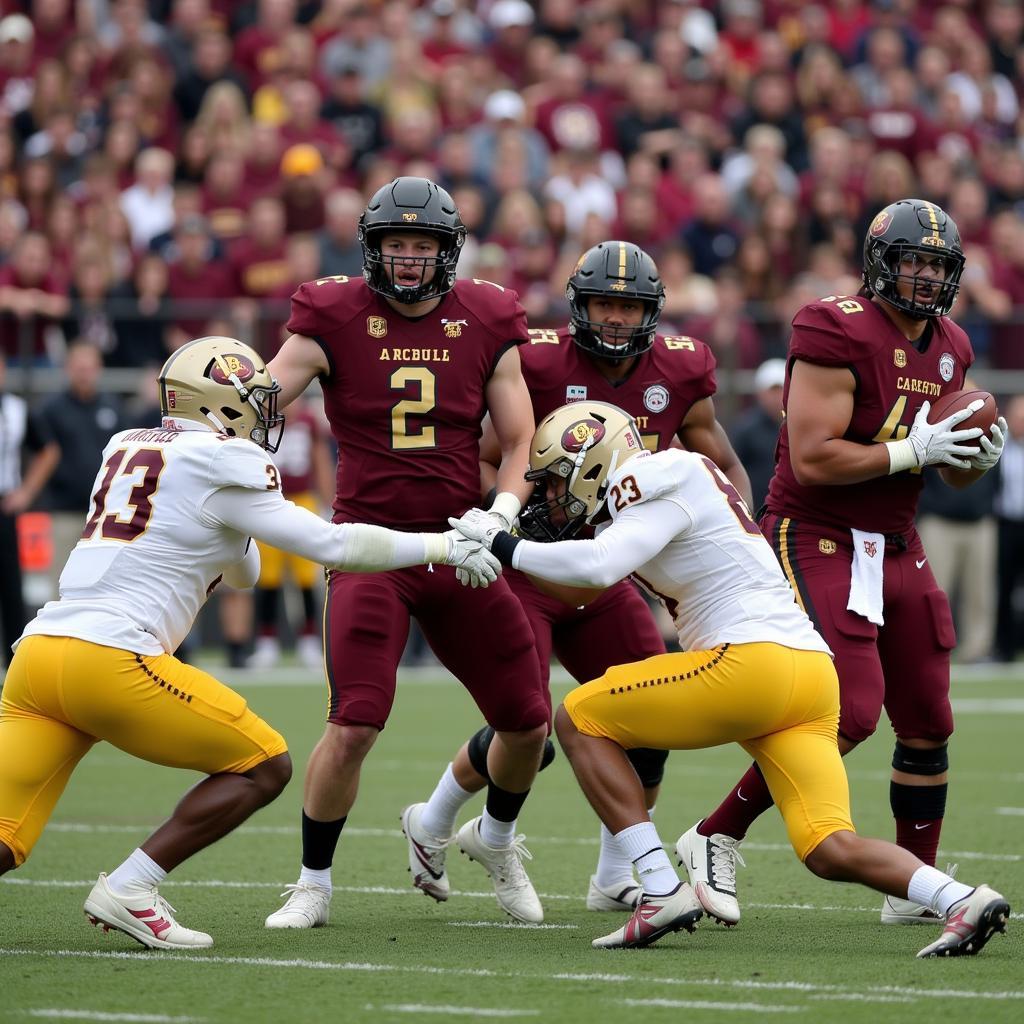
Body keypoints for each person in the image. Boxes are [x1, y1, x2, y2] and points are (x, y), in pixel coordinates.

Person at [452, 401, 1010, 959]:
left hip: (750, 662)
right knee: (828, 845)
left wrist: (505, 543)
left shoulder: (646, 475)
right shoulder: (668, 482)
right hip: (811, 675)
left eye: (553, 483)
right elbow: (583, 585)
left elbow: (598, 566)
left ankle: (659, 888)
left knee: (578, 716)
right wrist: (501, 555)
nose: (549, 498)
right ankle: (961, 899)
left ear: (593, 461)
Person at [0, 336, 499, 950]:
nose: (266, 414)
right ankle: (132, 886)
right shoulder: (223, 460)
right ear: (220, 406)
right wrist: (443, 546)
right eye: (253, 401)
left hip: (38, 655)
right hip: (111, 658)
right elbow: (332, 547)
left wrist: (233, 529)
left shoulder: (126, 445)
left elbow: (243, 569)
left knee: (4, 835)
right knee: (264, 765)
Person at [670, 199, 1009, 929]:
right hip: (814, 531)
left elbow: (941, 473)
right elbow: (817, 457)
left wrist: (970, 460)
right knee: (850, 710)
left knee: (927, 715)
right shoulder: (832, 324)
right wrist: (911, 451)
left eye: (936, 265)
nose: (923, 277)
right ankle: (712, 834)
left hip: (896, 539)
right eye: (911, 260)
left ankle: (909, 886)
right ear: (880, 262)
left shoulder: (950, 342)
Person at [403, 240, 751, 914]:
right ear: (579, 306)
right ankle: (439, 820)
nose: (616, 319)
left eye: (629, 306)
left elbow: (725, 467)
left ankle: (614, 873)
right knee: (527, 728)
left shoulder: (679, 371)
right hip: (529, 567)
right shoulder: (535, 360)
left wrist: (736, 542)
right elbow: (482, 460)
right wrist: (514, 520)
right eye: (603, 304)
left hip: (606, 575)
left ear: (651, 311)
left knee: (650, 720)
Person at [263, 176, 550, 930]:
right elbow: (261, 402)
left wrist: (502, 515)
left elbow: (521, 439)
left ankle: (497, 840)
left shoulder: (488, 315)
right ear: (372, 249)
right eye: (397, 245)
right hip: (371, 550)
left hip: (460, 547)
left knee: (527, 721)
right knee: (354, 722)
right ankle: (312, 884)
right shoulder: (329, 312)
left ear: (448, 251)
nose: (410, 260)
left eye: (423, 246)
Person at [248, 395, 335, 670]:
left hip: (303, 500)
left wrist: (328, 502)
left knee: (306, 576)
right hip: (267, 502)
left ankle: (309, 641)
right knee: (268, 577)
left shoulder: (308, 422)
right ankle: (267, 641)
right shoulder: (258, 422)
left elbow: (320, 461)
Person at [0, 350, 59, 662]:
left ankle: (13, 659)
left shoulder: (16, 409)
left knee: (11, 582)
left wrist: (25, 492)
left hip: (5, 505)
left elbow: (48, 450)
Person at [729, 357, 786, 510]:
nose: (776, 397)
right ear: (760, 393)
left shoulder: (799, 426)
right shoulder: (746, 428)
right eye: (772, 391)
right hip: (756, 512)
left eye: (781, 389)